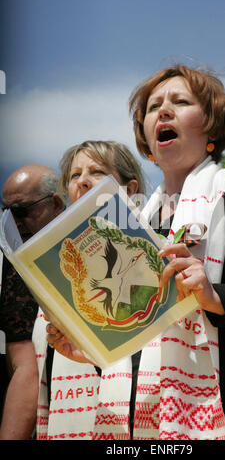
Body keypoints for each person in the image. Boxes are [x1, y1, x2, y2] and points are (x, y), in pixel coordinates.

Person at [47, 66, 225, 441]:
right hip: (143, 426)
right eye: (153, 107)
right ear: (147, 138)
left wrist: (216, 296)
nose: (163, 111)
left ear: (212, 127)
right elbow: (144, 342)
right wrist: (94, 352)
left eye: (180, 102)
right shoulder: (134, 224)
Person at [32, 140, 146, 440]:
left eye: (96, 171)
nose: (82, 181)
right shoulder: (54, 274)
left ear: (130, 189)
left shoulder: (154, 254)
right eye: (74, 176)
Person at [0, 164, 65, 439]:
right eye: (7, 212)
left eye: (23, 211)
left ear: (56, 203)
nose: (15, 222)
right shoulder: (13, 260)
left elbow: (27, 366)